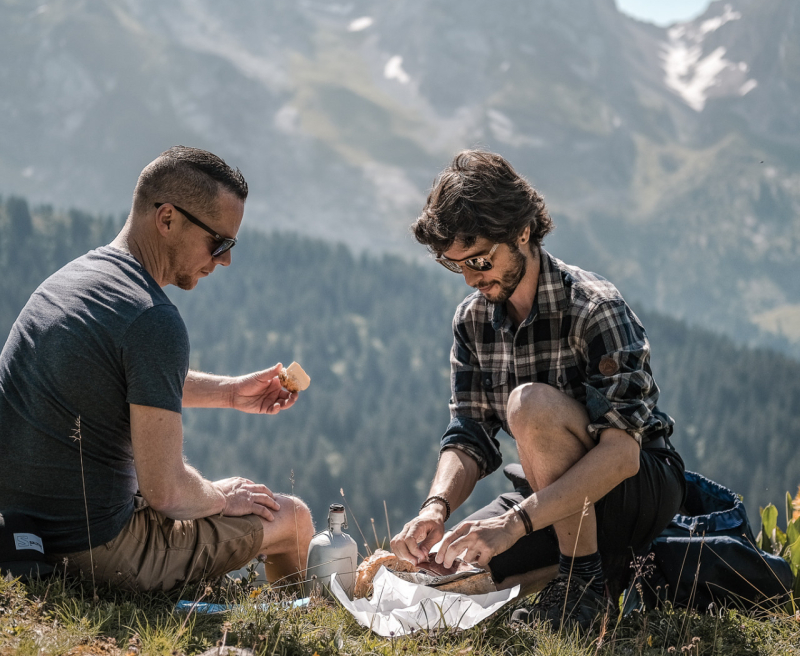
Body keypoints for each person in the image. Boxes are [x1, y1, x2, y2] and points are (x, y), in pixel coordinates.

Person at [391, 150, 685, 628]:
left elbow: (622, 454)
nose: (470, 277)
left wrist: (516, 523)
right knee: (448, 571)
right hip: (547, 490)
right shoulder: (472, 321)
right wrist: (436, 506)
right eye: (455, 265)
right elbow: (469, 434)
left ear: (522, 232)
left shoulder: (594, 308)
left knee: (529, 405)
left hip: (634, 485)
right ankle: (591, 570)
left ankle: (582, 588)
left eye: (480, 259)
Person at [0, 146, 314, 592]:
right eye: (219, 242)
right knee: (294, 519)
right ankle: (306, 623)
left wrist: (227, 392)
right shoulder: (153, 318)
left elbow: (115, 374)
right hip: (94, 550)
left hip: (21, 533)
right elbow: (167, 493)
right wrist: (223, 496)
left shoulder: (72, 280)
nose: (224, 259)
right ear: (167, 219)